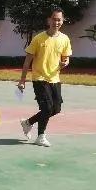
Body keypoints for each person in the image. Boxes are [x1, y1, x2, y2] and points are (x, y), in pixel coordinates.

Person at [17, 9, 72, 148]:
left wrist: (65, 63)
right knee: (47, 108)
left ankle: (28, 123)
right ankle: (41, 136)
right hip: (39, 78)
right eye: (54, 19)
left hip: (55, 78)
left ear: (62, 21)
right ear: (49, 20)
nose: (56, 22)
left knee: (56, 109)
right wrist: (22, 80)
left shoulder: (65, 39)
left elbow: (66, 58)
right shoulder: (38, 38)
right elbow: (27, 61)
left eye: (59, 19)